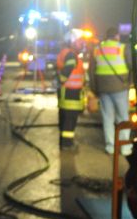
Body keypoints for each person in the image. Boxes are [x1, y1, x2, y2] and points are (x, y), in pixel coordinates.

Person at [92, 27, 131, 155]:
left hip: (103, 88)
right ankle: (124, 147)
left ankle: (110, 147)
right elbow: (131, 67)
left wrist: (94, 88)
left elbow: (92, 71)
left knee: (107, 118)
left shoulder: (97, 49)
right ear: (117, 36)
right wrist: (129, 83)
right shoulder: (123, 48)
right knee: (123, 117)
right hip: (120, 87)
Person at [55, 35, 86, 150]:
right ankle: (67, 145)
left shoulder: (65, 53)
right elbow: (66, 71)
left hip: (66, 93)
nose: (82, 45)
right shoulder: (71, 55)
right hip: (71, 94)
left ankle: (64, 143)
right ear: (72, 42)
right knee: (70, 121)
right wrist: (62, 80)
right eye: (79, 42)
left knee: (65, 120)